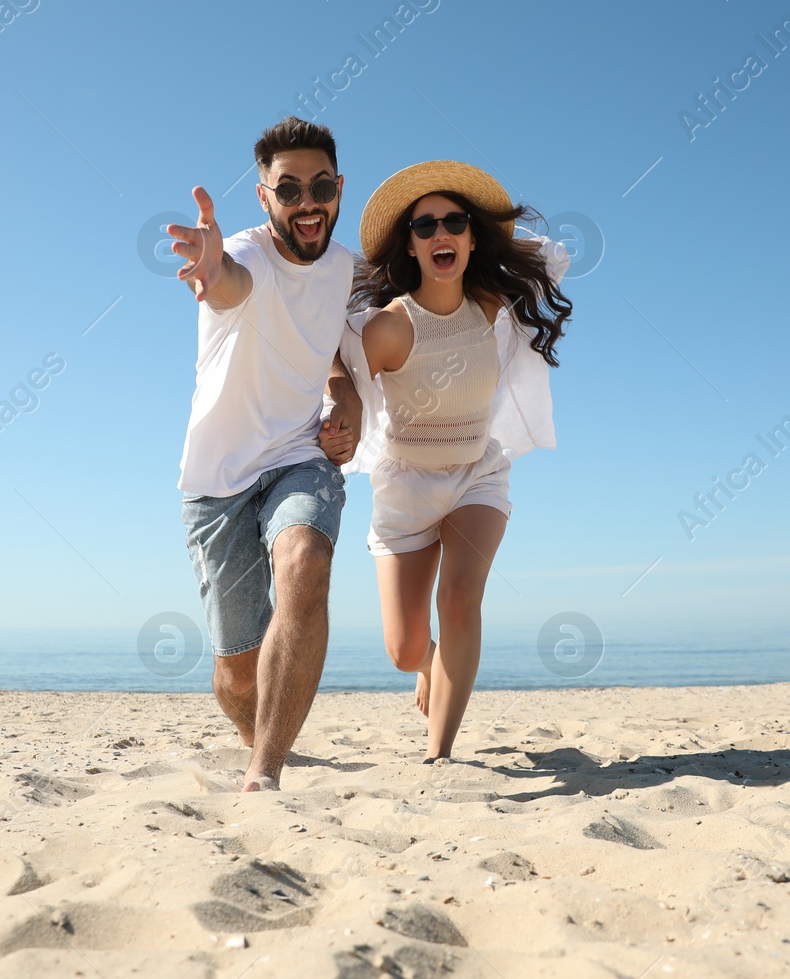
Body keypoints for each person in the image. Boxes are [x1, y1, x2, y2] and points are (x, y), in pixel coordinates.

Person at [329, 160, 572, 762]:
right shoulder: (387, 329)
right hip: (406, 487)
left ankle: (440, 754)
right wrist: (343, 408)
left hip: (476, 476)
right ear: (408, 246)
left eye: (455, 222)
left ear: (470, 237)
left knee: (460, 598)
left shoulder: (491, 303)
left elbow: (548, 253)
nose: (442, 234)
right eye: (425, 225)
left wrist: (493, 229)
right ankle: (428, 662)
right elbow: (332, 364)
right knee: (405, 649)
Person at [170, 117, 362, 791]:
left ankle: (264, 772)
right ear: (264, 198)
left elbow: (340, 360)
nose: (306, 202)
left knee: (306, 561)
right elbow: (228, 285)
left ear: (339, 189)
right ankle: (264, 739)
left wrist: (350, 410)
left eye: (319, 187)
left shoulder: (345, 270)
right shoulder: (245, 256)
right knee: (235, 673)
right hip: (216, 480)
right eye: (288, 190)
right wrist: (209, 264)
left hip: (297, 457)